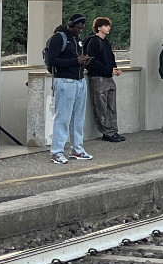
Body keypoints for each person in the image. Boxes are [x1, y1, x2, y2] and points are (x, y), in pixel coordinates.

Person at [44, 13, 92, 164]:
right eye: (78, 27)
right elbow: (53, 60)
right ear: (70, 25)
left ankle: (77, 149)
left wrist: (83, 61)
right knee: (63, 118)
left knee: (78, 118)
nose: (80, 30)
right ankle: (56, 152)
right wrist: (75, 61)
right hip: (65, 81)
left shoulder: (77, 39)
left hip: (79, 80)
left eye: (82, 28)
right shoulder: (59, 38)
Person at [84, 17, 125, 144]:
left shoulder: (106, 42)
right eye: (106, 26)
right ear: (99, 28)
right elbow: (92, 61)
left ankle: (113, 130)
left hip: (108, 77)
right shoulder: (93, 42)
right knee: (101, 106)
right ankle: (107, 132)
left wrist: (115, 69)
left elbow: (110, 58)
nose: (108, 28)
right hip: (98, 77)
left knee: (111, 106)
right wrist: (108, 70)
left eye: (109, 26)